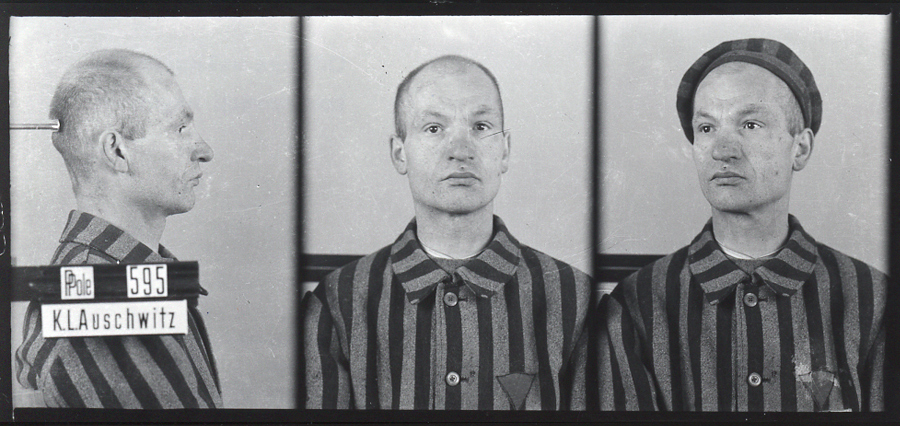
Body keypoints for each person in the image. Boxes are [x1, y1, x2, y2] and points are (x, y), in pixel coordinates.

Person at [595, 38, 887, 411]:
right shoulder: (634, 307)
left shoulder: (875, 303)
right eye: (706, 128)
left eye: (750, 124)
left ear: (800, 149)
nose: (722, 149)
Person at [300, 55, 593, 410]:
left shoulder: (577, 302)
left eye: (481, 127)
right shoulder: (336, 305)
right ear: (399, 154)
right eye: (434, 128)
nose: (460, 151)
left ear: (505, 150)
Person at [15, 49, 222, 408]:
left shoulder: (125, 279)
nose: (204, 150)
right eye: (181, 128)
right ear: (117, 151)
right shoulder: (109, 297)